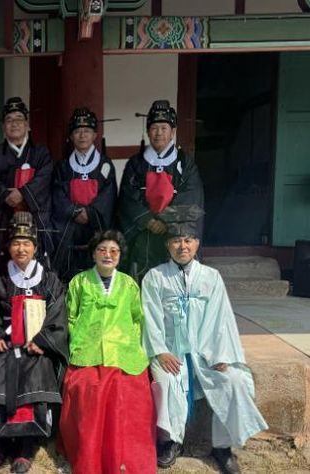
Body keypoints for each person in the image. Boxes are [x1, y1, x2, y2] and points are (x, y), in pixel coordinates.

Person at [142, 217, 268, 473]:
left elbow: (221, 319)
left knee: (233, 381)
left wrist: (221, 355)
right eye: (176, 241)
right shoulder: (155, 277)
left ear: (197, 243)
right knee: (166, 381)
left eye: (188, 240)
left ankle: (222, 447)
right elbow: (150, 317)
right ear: (167, 245)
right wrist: (161, 351)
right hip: (171, 351)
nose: (183, 246)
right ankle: (169, 441)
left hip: (205, 352)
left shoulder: (211, 277)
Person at [59, 230, 155, 474]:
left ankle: (124, 456)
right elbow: (71, 318)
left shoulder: (129, 284)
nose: (108, 255)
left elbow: (137, 319)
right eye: (102, 250)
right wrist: (81, 342)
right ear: (93, 254)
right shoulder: (79, 282)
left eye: (114, 251)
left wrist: (129, 344)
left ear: (120, 255)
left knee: (128, 390)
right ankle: (90, 454)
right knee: (87, 388)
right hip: (87, 351)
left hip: (124, 351)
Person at [0, 212, 68, 473]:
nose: (21, 249)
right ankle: (2, 442)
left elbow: (57, 314)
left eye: (26, 243)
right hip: (7, 343)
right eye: (16, 243)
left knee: (37, 369)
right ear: (9, 247)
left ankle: (26, 446)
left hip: (37, 345)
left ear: (35, 248)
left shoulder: (49, 279)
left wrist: (43, 341)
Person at [117, 100, 204, 281]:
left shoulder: (185, 163)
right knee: (141, 276)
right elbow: (127, 197)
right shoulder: (136, 163)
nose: (159, 133)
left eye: (164, 128)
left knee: (175, 276)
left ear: (172, 132)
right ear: (148, 131)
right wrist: (148, 220)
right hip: (142, 231)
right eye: (154, 128)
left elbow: (191, 197)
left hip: (175, 232)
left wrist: (165, 221)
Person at [0, 97, 54, 271]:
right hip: (5, 218)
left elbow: (44, 179)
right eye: (9, 120)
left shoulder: (41, 153)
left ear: (27, 124)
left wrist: (23, 194)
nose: (14, 124)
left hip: (35, 218)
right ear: (3, 127)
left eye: (19, 119)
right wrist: (6, 195)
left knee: (38, 264)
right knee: (4, 264)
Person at [51, 107, 117, 281]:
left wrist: (90, 213)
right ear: (71, 136)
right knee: (68, 276)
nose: (82, 136)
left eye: (87, 131)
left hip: (95, 227)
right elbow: (58, 195)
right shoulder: (63, 166)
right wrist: (74, 211)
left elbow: (108, 197)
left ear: (95, 135)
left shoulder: (105, 165)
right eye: (77, 131)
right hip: (69, 229)